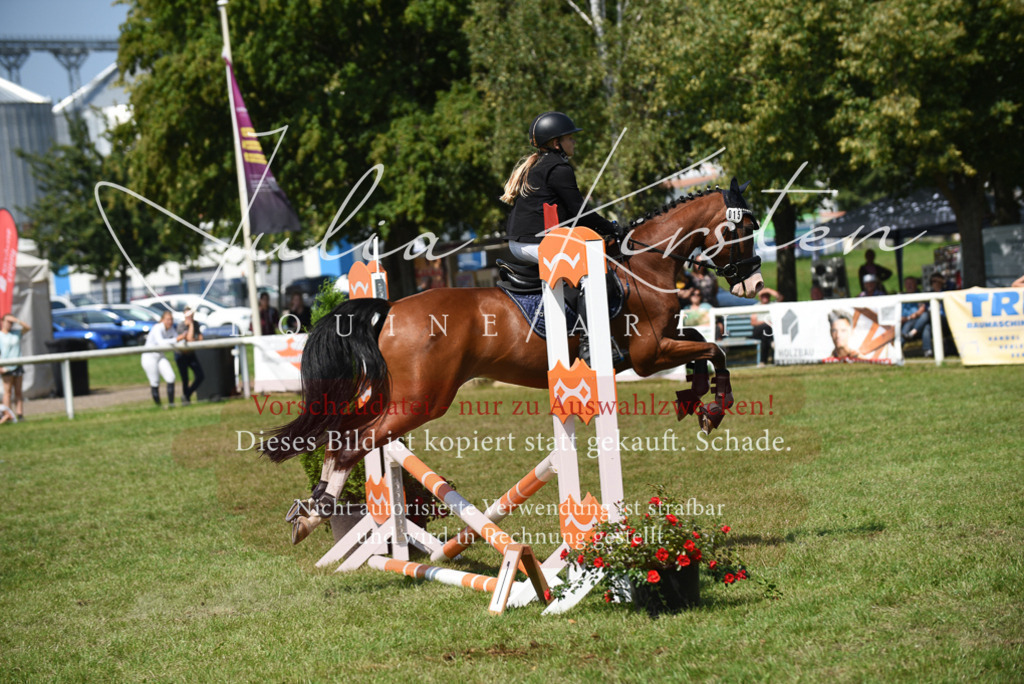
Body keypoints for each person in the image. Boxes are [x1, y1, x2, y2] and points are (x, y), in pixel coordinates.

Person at [501, 111, 618, 264]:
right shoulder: (559, 168)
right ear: (557, 143)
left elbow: (570, 214)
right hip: (534, 243)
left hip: (520, 242)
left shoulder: (538, 164)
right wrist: (612, 229)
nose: (574, 142)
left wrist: (600, 228)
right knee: (592, 262)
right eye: (570, 138)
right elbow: (580, 211)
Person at [142, 310, 178, 408]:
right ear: (162, 320)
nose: (169, 321)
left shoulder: (171, 329)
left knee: (171, 377)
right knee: (155, 381)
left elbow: (178, 339)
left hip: (160, 355)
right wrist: (177, 340)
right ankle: (159, 406)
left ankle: (171, 404)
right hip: (149, 357)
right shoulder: (157, 327)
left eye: (171, 319)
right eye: (167, 319)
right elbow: (161, 342)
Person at [0, 313, 31, 421]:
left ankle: (20, 414)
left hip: (17, 366)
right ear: (2, 322)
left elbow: (28, 327)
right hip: (6, 367)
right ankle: (7, 414)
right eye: (7, 322)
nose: (9, 324)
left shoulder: (15, 334)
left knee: (18, 392)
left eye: (11, 323)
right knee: (7, 392)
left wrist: (16, 320)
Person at [174, 307, 205, 405]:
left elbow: (200, 338)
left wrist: (193, 326)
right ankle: (186, 400)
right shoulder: (181, 325)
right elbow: (190, 338)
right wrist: (190, 325)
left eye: (191, 315)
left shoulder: (196, 324)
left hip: (191, 354)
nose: (190, 317)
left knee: (200, 376)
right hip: (181, 355)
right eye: (188, 316)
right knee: (185, 379)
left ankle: (186, 395)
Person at [900, 276, 933, 357]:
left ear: (916, 285)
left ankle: (898, 347)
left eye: (911, 283)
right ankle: (927, 350)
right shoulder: (901, 296)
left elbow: (922, 309)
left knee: (925, 321)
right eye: (907, 284)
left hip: (916, 320)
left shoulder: (920, 295)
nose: (909, 286)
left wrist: (912, 316)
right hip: (904, 321)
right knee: (926, 326)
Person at [750, 287, 781, 365]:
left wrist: (768, 290)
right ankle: (771, 344)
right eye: (763, 295)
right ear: (760, 297)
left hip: (769, 331)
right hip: (759, 330)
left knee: (765, 335)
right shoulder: (756, 306)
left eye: (767, 295)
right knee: (765, 328)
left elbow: (780, 297)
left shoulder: (773, 305)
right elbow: (753, 322)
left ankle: (763, 361)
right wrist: (765, 322)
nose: (765, 297)